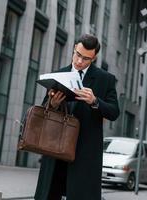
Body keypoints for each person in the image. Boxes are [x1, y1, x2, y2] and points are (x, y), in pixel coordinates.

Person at [34, 34, 120, 200]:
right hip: (55, 148)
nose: (79, 61)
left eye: (86, 58)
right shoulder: (58, 74)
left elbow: (114, 112)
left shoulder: (106, 79)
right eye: (77, 55)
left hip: (85, 151)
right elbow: (45, 108)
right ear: (74, 49)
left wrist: (95, 101)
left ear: (94, 58)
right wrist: (53, 104)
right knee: (49, 193)